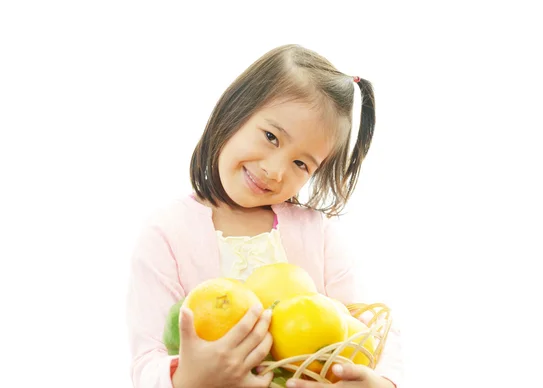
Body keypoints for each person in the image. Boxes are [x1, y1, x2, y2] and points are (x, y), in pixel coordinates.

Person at [126, 44, 402, 388]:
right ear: (234, 112)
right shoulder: (166, 233)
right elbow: (146, 362)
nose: (274, 171)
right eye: (271, 137)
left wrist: (383, 382)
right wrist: (188, 379)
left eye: (301, 164)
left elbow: (369, 330)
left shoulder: (318, 234)